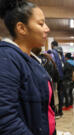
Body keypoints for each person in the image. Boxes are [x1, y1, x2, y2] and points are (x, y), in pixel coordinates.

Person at [0, 0, 56, 135]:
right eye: (41, 24)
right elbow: (5, 118)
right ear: (21, 28)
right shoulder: (7, 58)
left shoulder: (30, 59)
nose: (47, 28)